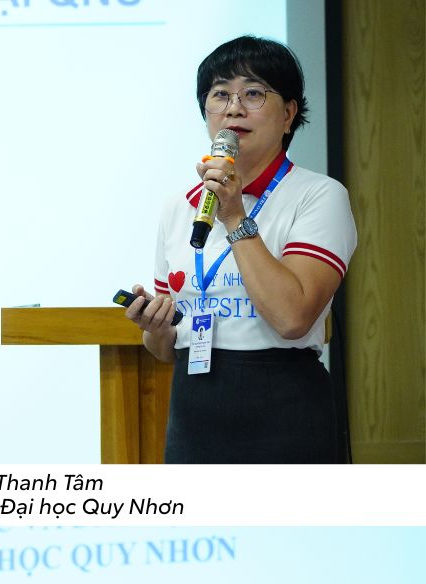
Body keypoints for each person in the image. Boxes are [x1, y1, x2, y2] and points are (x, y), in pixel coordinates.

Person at [122, 35, 356, 463]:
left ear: (289, 114)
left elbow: (292, 318)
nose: (233, 108)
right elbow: (165, 348)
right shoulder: (180, 207)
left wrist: (233, 216)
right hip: (194, 411)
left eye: (253, 93)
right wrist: (155, 327)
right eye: (219, 94)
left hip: (283, 407)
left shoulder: (318, 195)